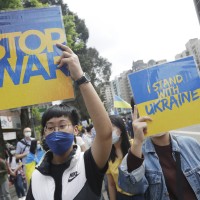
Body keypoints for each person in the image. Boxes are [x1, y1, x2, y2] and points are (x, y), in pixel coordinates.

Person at [26, 43, 112, 200]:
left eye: (62, 125)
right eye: (50, 127)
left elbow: (105, 133)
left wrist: (80, 77)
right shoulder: (36, 177)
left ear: (76, 130)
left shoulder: (87, 163)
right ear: (44, 133)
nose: (56, 131)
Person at [118, 106, 200, 199]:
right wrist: (137, 142)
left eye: (159, 110)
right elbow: (130, 187)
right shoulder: (138, 154)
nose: (153, 118)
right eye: (147, 111)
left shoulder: (191, 144)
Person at [106, 115, 144, 200]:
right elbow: (111, 184)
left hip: (141, 194)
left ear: (121, 129)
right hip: (122, 197)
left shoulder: (134, 145)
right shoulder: (107, 156)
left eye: (110, 128)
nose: (107, 132)